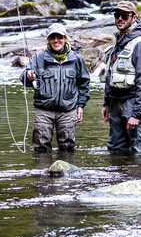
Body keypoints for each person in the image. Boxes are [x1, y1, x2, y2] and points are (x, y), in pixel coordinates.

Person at [100, 1, 141, 154]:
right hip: (115, 102)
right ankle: (118, 177)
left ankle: (140, 178)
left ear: (134, 18)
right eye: (117, 15)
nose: (120, 19)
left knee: (139, 150)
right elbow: (110, 74)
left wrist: (137, 114)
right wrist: (106, 103)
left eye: (124, 16)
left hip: (133, 103)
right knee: (115, 148)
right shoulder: (118, 40)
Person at [21, 23, 90, 152]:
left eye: (59, 37)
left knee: (67, 148)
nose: (56, 40)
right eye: (52, 37)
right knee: (41, 149)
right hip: (43, 111)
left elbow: (84, 84)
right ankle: (42, 172)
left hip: (68, 110)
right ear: (48, 40)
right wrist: (28, 76)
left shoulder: (76, 59)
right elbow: (23, 78)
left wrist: (80, 106)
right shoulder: (39, 58)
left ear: (65, 39)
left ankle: (66, 171)